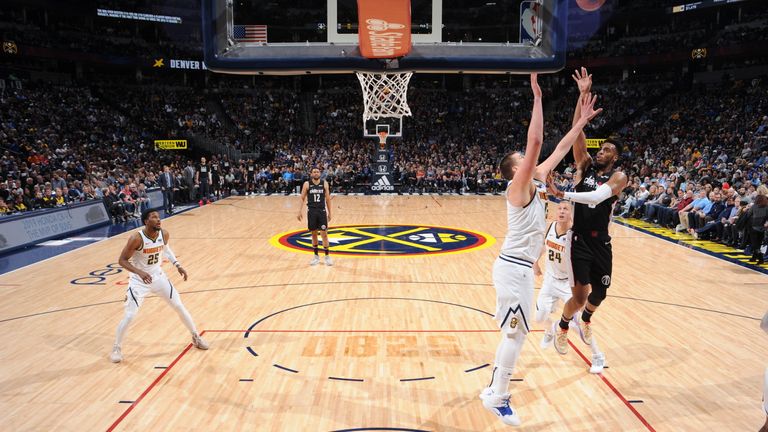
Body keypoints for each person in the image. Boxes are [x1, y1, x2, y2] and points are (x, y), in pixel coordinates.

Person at [479, 72, 602, 426]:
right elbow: (535, 143)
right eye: (524, 159)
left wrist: (581, 119)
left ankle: (493, 389)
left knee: (517, 330)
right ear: (516, 169)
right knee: (516, 334)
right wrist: (536, 97)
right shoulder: (517, 187)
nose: (531, 160)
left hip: (519, 268)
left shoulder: (536, 178)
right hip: (512, 267)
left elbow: (561, 147)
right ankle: (498, 397)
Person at [547, 67, 629, 356]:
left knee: (601, 293)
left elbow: (595, 198)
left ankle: (586, 321)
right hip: (579, 240)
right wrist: (581, 97)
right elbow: (576, 132)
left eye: (606, 149)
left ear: (615, 157)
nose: (601, 152)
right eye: (601, 148)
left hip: (601, 242)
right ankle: (564, 326)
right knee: (579, 296)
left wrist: (563, 193)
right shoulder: (584, 166)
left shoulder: (619, 178)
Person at [109, 209, 209, 363]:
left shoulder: (164, 234)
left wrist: (177, 265)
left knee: (179, 306)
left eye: (158, 216)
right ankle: (116, 348)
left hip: (158, 277)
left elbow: (166, 249)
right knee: (130, 315)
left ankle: (195, 336)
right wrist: (139, 272)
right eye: (153, 217)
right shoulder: (136, 238)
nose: (158, 219)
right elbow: (122, 260)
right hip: (139, 282)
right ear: (145, 222)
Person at [534, 200, 605, 373]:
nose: (562, 211)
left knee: (581, 323)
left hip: (569, 283)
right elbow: (545, 245)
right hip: (550, 280)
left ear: (571, 214)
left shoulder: (576, 234)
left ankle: (597, 356)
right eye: (559, 208)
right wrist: (535, 261)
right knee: (539, 317)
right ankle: (550, 330)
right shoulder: (551, 227)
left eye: (566, 209)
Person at [297, 167, 333, 266]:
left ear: (320, 173)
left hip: (321, 211)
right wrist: (299, 211)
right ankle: (316, 256)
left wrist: (330, 213)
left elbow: (328, 199)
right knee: (313, 234)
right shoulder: (307, 184)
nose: (316, 173)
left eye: (317, 172)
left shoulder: (324, 183)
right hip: (311, 211)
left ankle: (327, 256)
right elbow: (302, 198)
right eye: (314, 172)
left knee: (324, 234)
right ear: (311, 174)